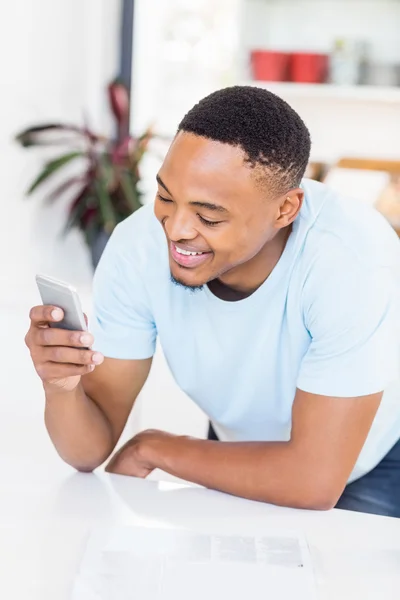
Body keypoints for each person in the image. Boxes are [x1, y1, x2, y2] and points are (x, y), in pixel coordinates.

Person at [25, 86, 400, 517]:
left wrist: (154, 448)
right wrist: (61, 386)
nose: (176, 228)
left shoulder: (350, 260)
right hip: (240, 448)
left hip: (366, 460)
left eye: (209, 216)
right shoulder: (139, 246)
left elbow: (313, 481)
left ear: (285, 210)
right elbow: (87, 451)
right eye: (166, 196)